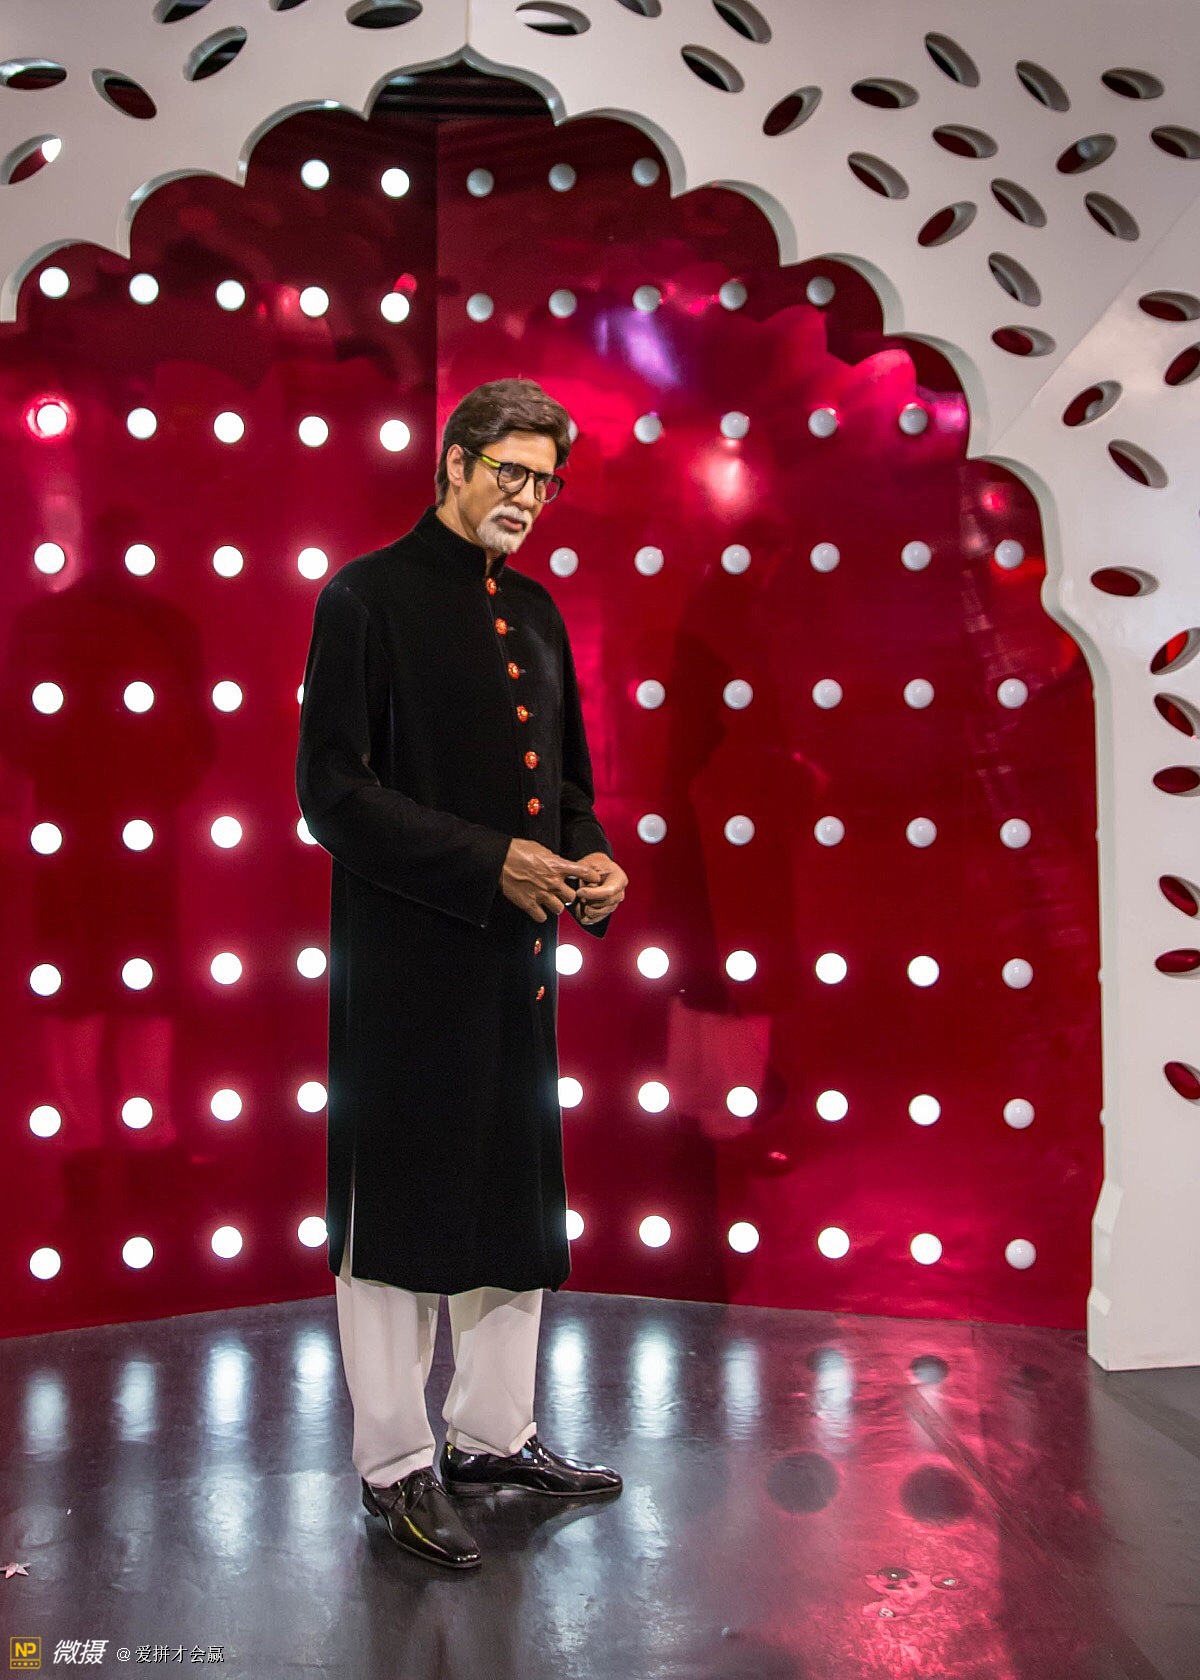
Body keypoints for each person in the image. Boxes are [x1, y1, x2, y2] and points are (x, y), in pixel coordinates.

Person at [295, 378, 628, 1570]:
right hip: (403, 964)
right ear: (455, 464)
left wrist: (591, 857)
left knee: (507, 1201)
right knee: (396, 1215)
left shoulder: (535, 609)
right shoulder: (365, 597)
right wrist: (490, 862)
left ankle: (493, 1436)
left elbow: (568, 783)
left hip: (515, 966)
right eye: (511, 473)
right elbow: (332, 794)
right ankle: (394, 1465)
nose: (528, 498)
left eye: (546, 481)